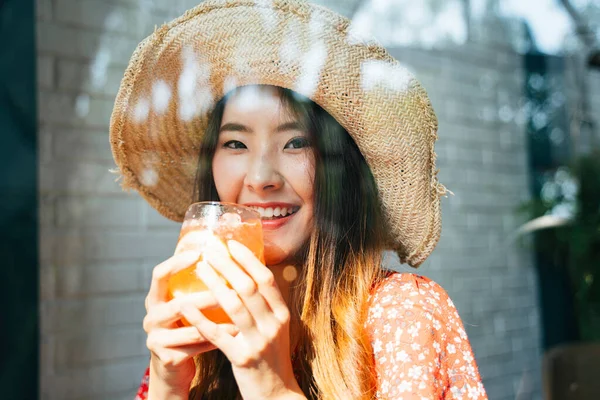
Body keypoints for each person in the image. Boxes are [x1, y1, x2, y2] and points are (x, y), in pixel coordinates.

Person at [109, 1, 488, 399]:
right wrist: (169, 387)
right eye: (235, 143)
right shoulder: (202, 327)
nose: (260, 179)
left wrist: (273, 388)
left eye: (295, 143)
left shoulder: (401, 313)